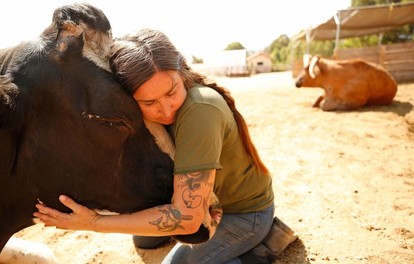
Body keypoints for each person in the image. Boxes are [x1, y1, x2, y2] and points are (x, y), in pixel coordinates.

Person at [34, 28, 294, 264]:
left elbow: (188, 218)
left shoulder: (199, 110)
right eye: (148, 103)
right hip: (203, 202)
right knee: (143, 238)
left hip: (242, 212)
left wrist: (94, 222)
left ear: (182, 73)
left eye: (171, 93)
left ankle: (262, 246)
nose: (166, 109)